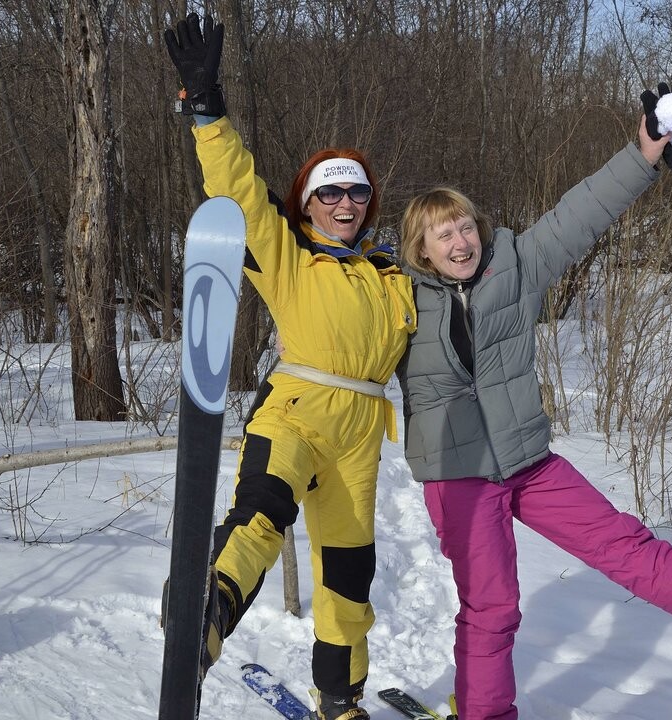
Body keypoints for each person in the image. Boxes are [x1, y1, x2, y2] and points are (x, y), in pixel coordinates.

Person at [395, 111, 672, 720]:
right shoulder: (394, 296)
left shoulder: (514, 266)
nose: (460, 242)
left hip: (528, 461)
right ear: (421, 248)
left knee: (623, 543)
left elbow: (578, 214)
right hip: (458, 477)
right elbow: (342, 333)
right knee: (492, 607)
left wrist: (643, 155)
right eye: (442, 234)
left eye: (465, 226)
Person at [164, 14, 416, 720]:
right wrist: (206, 111)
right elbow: (240, 190)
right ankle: (202, 618)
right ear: (308, 201)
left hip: (361, 436)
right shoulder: (289, 251)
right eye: (329, 193)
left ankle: (340, 695)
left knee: (348, 575)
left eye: (356, 192)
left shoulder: (391, 271)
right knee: (263, 514)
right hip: (297, 410)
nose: (344, 203)